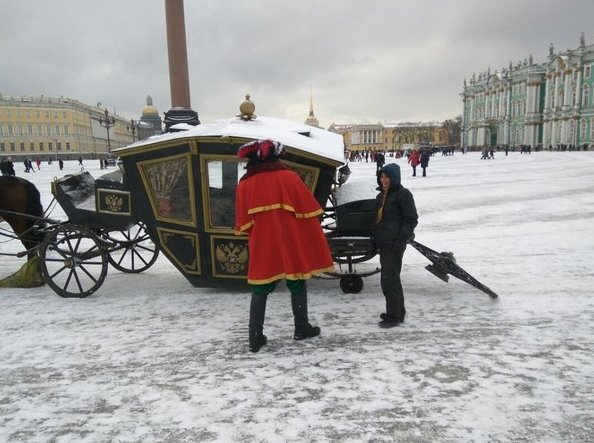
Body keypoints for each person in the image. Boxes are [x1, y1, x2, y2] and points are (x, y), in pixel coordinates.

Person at [235, 139, 335, 352]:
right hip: (289, 238)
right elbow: (308, 212)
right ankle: (301, 328)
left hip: (262, 242)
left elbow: (243, 223)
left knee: (260, 288)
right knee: (297, 281)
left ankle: (254, 337)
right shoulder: (289, 177)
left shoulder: (245, 184)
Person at [373, 163, 418, 328]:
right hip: (385, 243)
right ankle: (397, 312)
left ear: (394, 178)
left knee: (389, 280)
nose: (383, 180)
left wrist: (401, 240)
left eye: (386, 177)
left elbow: (411, 219)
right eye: (381, 177)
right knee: (390, 279)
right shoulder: (382, 196)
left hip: (394, 244)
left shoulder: (402, 194)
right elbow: (378, 222)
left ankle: (394, 316)